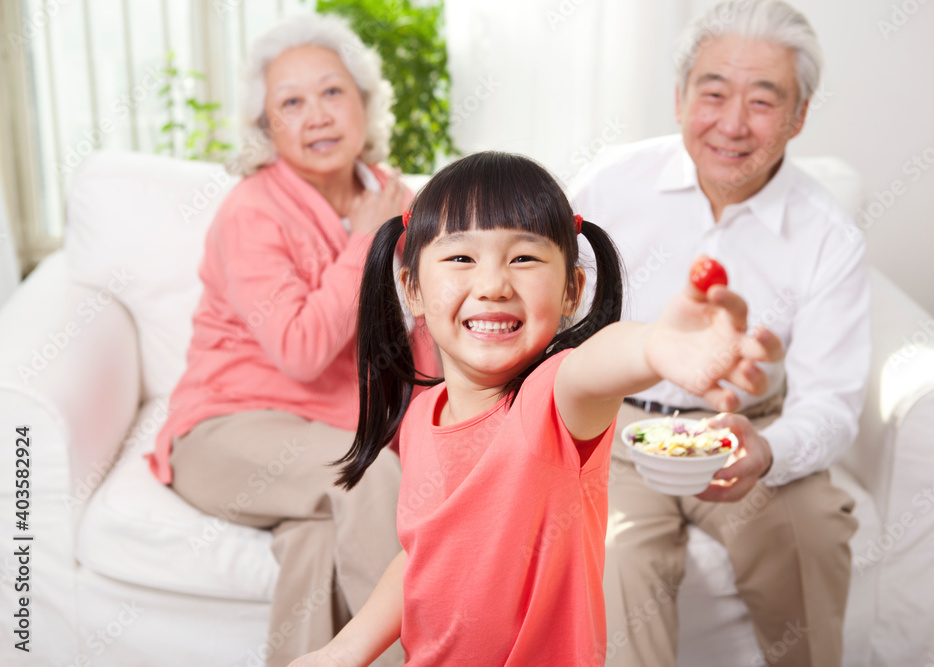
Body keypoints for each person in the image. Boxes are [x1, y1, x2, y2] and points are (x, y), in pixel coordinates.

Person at [287, 150, 784, 667]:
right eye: (461, 258)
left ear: (572, 290)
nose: (494, 285)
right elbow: (423, 556)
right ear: (412, 287)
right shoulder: (421, 416)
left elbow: (599, 362)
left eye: (524, 258)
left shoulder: (553, 402)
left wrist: (657, 346)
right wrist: (342, 650)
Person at [571, 1, 871, 665]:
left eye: (764, 102)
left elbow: (832, 403)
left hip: (746, 427)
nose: (733, 124)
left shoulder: (828, 234)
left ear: (799, 116)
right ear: (679, 99)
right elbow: (558, 327)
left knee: (813, 532)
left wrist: (766, 450)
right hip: (619, 434)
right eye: (713, 93)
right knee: (614, 552)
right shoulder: (611, 184)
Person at [149, 14, 436, 667]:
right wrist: (367, 238)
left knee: (317, 541)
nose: (317, 116)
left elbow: (424, 344)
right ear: (267, 128)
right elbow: (302, 350)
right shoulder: (252, 210)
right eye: (291, 102)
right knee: (366, 476)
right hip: (226, 433)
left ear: (365, 103)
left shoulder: (400, 199)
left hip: (323, 439)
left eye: (333, 92)